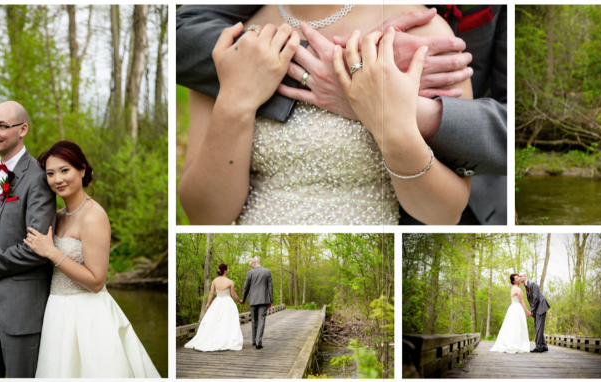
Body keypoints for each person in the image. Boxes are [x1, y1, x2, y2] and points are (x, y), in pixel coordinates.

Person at [176, 5, 507, 225]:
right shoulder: (234, 41)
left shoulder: (422, 34)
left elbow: (445, 214)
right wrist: (236, 103)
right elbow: (205, 216)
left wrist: (389, 122)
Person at [24, 141, 160, 377]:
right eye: (50, 173)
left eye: (65, 170)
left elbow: (97, 281)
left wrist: (52, 252)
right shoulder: (56, 217)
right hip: (57, 312)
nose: (58, 179)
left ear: (83, 169)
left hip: (88, 314)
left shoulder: (93, 216)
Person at [0, 101, 57, 378]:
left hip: (21, 309)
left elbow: (37, 250)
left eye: (2, 126)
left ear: (23, 129)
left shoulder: (39, 179)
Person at [184, 264, 244, 352]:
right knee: (227, 321)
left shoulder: (214, 281)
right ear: (225, 270)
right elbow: (233, 294)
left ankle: (212, 339)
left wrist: (208, 303)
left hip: (217, 302)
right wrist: (240, 301)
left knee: (214, 320)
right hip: (227, 303)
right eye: (228, 269)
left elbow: (211, 293)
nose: (229, 270)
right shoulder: (230, 282)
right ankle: (226, 339)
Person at [489, 274, 531, 353]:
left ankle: (512, 343)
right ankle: (515, 345)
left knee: (512, 326)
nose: (518, 279)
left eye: (518, 277)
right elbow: (521, 302)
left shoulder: (513, 288)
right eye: (516, 278)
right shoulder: (518, 290)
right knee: (517, 326)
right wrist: (527, 311)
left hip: (512, 308)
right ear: (513, 281)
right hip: (517, 309)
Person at [241, 258, 274, 349]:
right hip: (264, 299)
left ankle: (254, 341)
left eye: (251, 264)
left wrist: (243, 299)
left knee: (254, 321)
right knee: (261, 319)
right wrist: (270, 300)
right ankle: (258, 342)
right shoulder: (267, 272)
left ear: (254, 263)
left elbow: (246, 288)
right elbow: (270, 287)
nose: (251, 265)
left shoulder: (250, 273)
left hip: (253, 300)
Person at [519, 273, 550, 352]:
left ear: (525, 276)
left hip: (541, 307)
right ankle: (544, 346)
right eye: (518, 276)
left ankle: (539, 347)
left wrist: (532, 311)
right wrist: (534, 311)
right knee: (537, 326)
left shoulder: (532, 284)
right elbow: (531, 300)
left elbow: (536, 298)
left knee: (539, 327)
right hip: (537, 308)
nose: (519, 278)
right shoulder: (527, 286)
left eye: (520, 276)